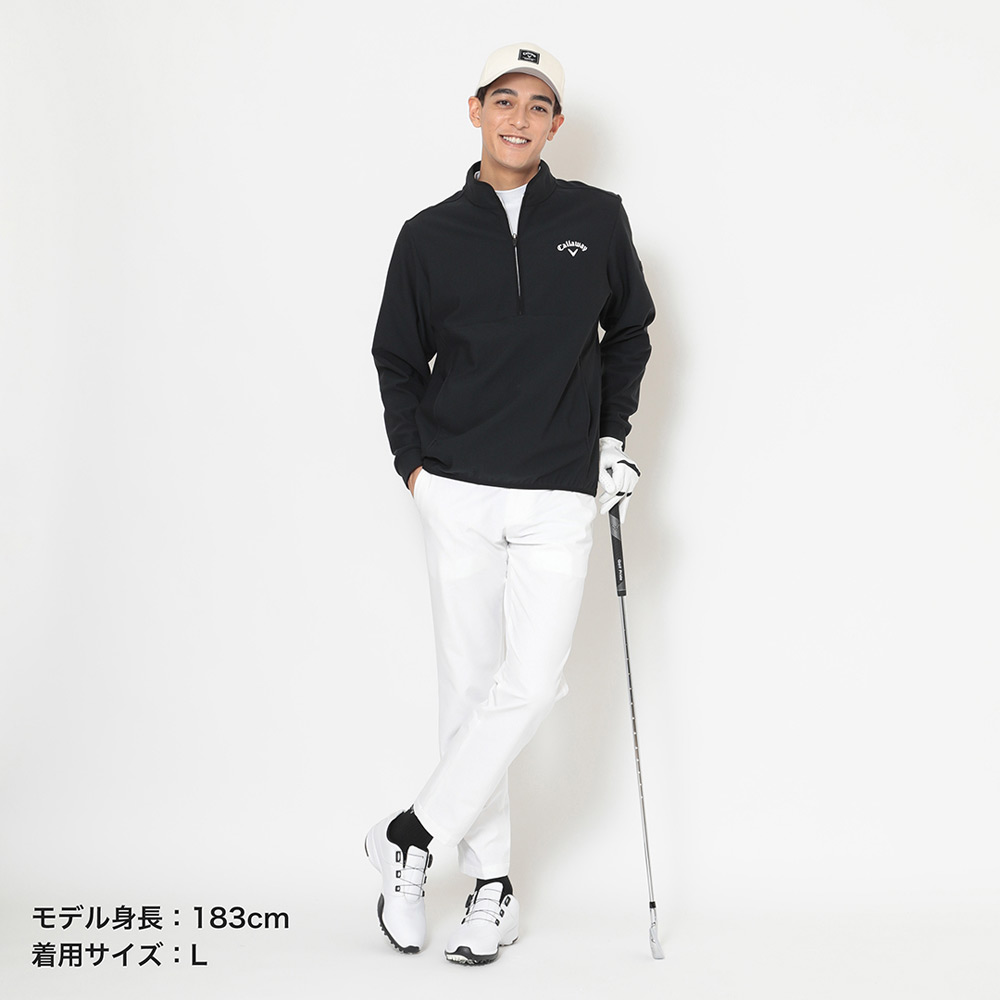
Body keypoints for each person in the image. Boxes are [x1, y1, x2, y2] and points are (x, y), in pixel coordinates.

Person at [367, 42, 654, 965]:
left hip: (558, 489)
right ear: (476, 110)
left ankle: (409, 833)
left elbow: (630, 332)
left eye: (538, 106)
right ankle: (491, 884)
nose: (519, 119)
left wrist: (610, 441)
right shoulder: (428, 234)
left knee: (530, 683)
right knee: (468, 687)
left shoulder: (596, 218)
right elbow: (396, 358)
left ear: (556, 123)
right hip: (455, 484)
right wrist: (415, 469)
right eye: (504, 101)